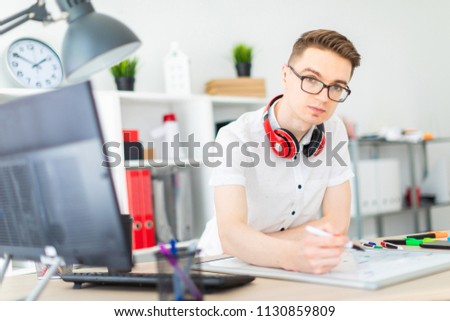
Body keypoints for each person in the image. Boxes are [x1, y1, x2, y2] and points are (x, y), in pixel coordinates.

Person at [198, 29, 361, 274]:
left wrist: (255, 244)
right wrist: (287, 254)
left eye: (336, 87)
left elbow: (336, 224)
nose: (323, 98)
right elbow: (230, 236)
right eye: (311, 79)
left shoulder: (334, 129)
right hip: (222, 264)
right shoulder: (235, 137)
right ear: (286, 75)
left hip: (288, 263)